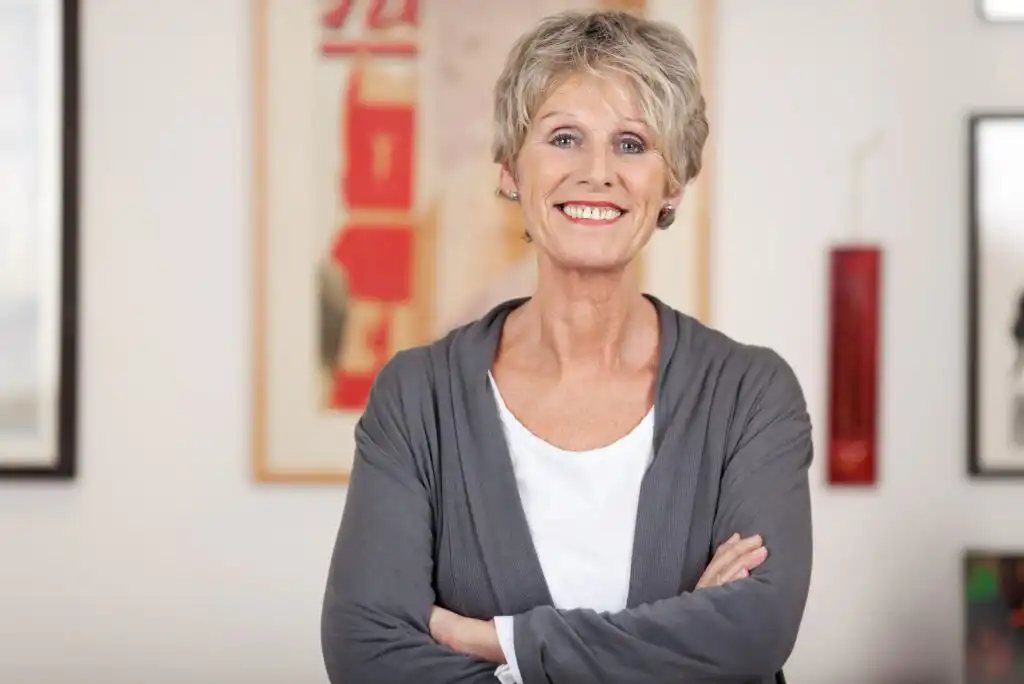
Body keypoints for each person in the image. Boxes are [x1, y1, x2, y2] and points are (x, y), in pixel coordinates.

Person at [320, 9, 813, 684]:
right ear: (509, 171)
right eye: (563, 137)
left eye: (633, 145)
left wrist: (504, 644)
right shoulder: (415, 398)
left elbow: (753, 634)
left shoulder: (751, 395)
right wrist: (678, 639)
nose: (597, 172)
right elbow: (367, 653)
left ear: (671, 184)